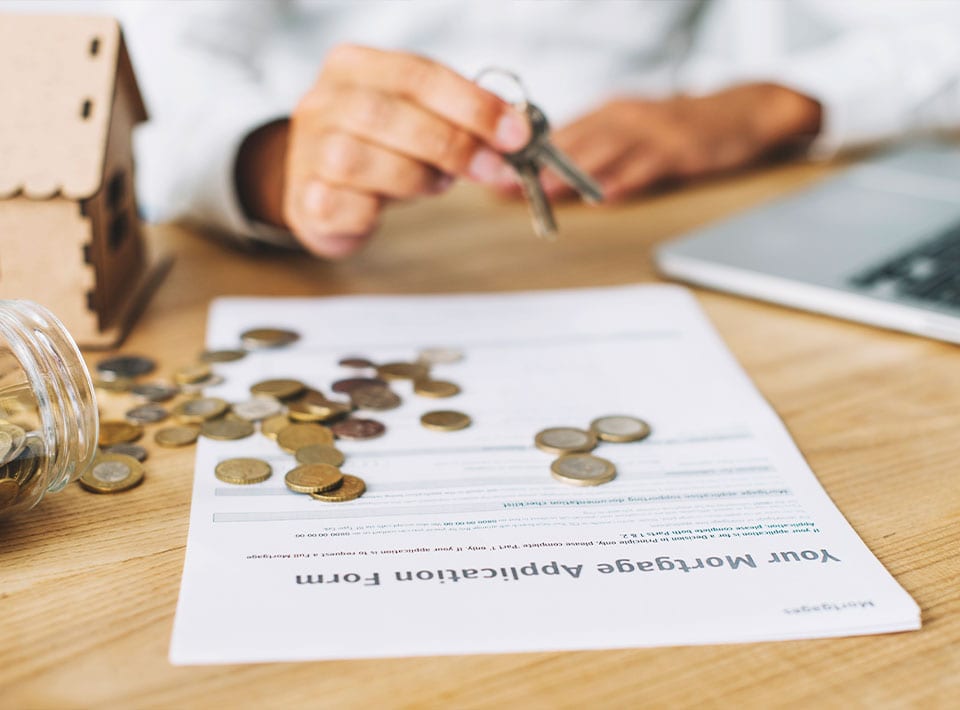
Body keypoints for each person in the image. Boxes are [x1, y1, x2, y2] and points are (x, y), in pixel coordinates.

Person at [15, 0, 960, 258]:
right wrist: (274, 164)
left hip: (653, 216)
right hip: (352, 249)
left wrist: (768, 104)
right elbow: (139, 77)